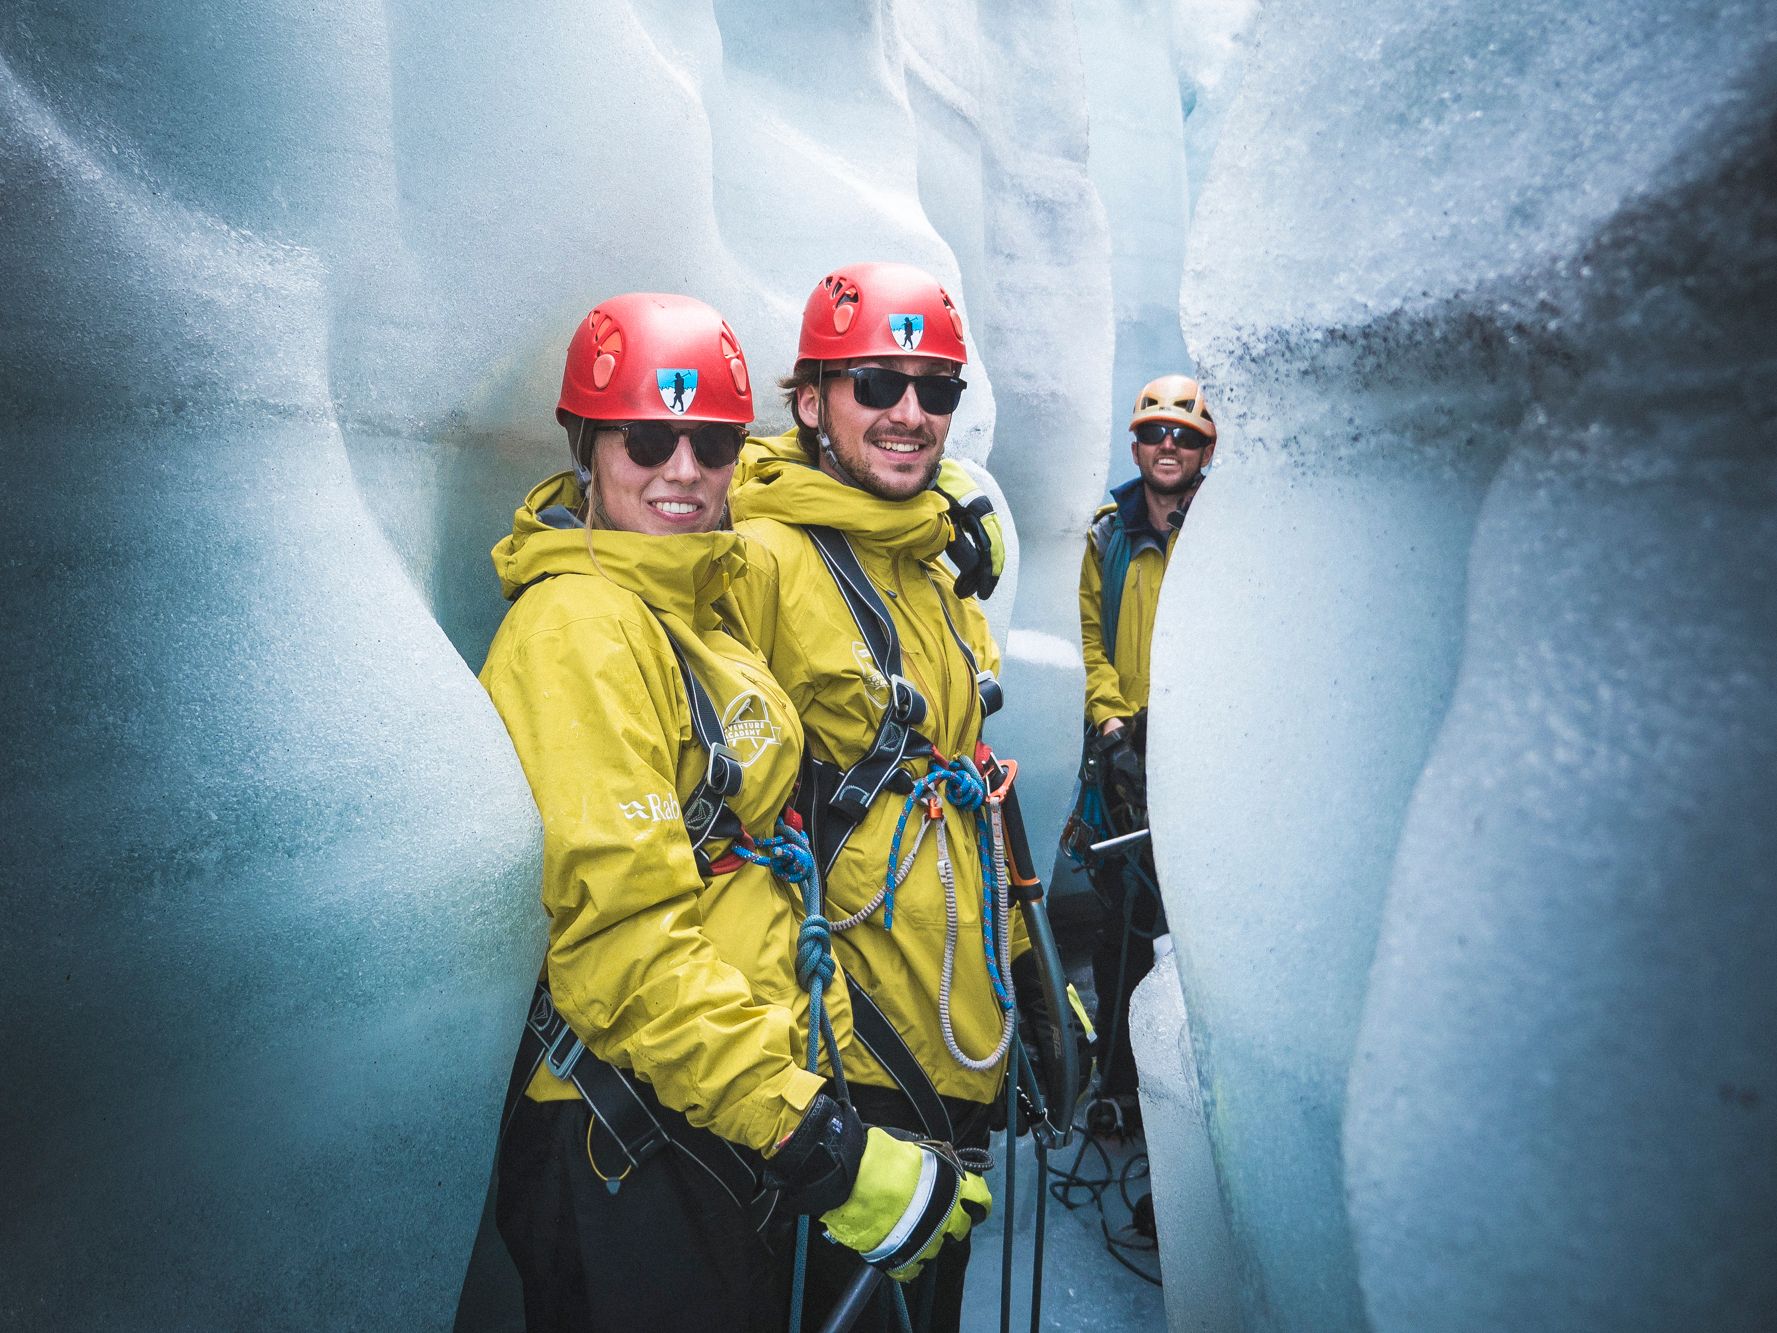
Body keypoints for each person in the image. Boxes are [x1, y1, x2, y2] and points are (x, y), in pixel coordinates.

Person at [479, 292, 988, 1332]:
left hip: (707, 1112)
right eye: (646, 439)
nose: (682, 470)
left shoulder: (689, 609)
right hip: (631, 1129)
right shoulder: (579, 630)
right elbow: (620, 942)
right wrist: (812, 1138)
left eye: (711, 442)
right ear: (586, 445)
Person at [723, 262, 1073, 1333]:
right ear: (809, 400)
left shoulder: (932, 561)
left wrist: (1028, 983)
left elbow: (963, 787)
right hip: (845, 1057)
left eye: (936, 389)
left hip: (953, 1035)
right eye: (876, 382)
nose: (910, 412)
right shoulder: (759, 557)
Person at [1074, 373, 1216, 1124]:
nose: (1168, 445)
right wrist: (1110, 727)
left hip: (1201, 758)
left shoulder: (1225, 536)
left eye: (1184, 435)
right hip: (1124, 763)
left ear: (1205, 451)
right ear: (1134, 446)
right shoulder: (1108, 536)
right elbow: (1090, 640)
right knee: (1123, 926)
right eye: (1155, 432)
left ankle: (1195, 1094)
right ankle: (1120, 1084)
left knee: (1197, 929)